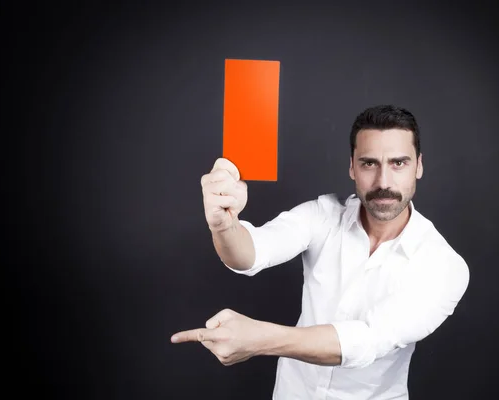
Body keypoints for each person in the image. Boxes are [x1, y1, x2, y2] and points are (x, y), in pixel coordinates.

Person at [171, 104, 470, 399]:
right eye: (369, 163)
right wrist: (223, 225)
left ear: (418, 165)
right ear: (351, 166)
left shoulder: (443, 265)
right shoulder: (324, 216)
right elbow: (252, 252)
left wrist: (260, 339)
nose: (383, 183)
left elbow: (368, 339)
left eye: (398, 163)